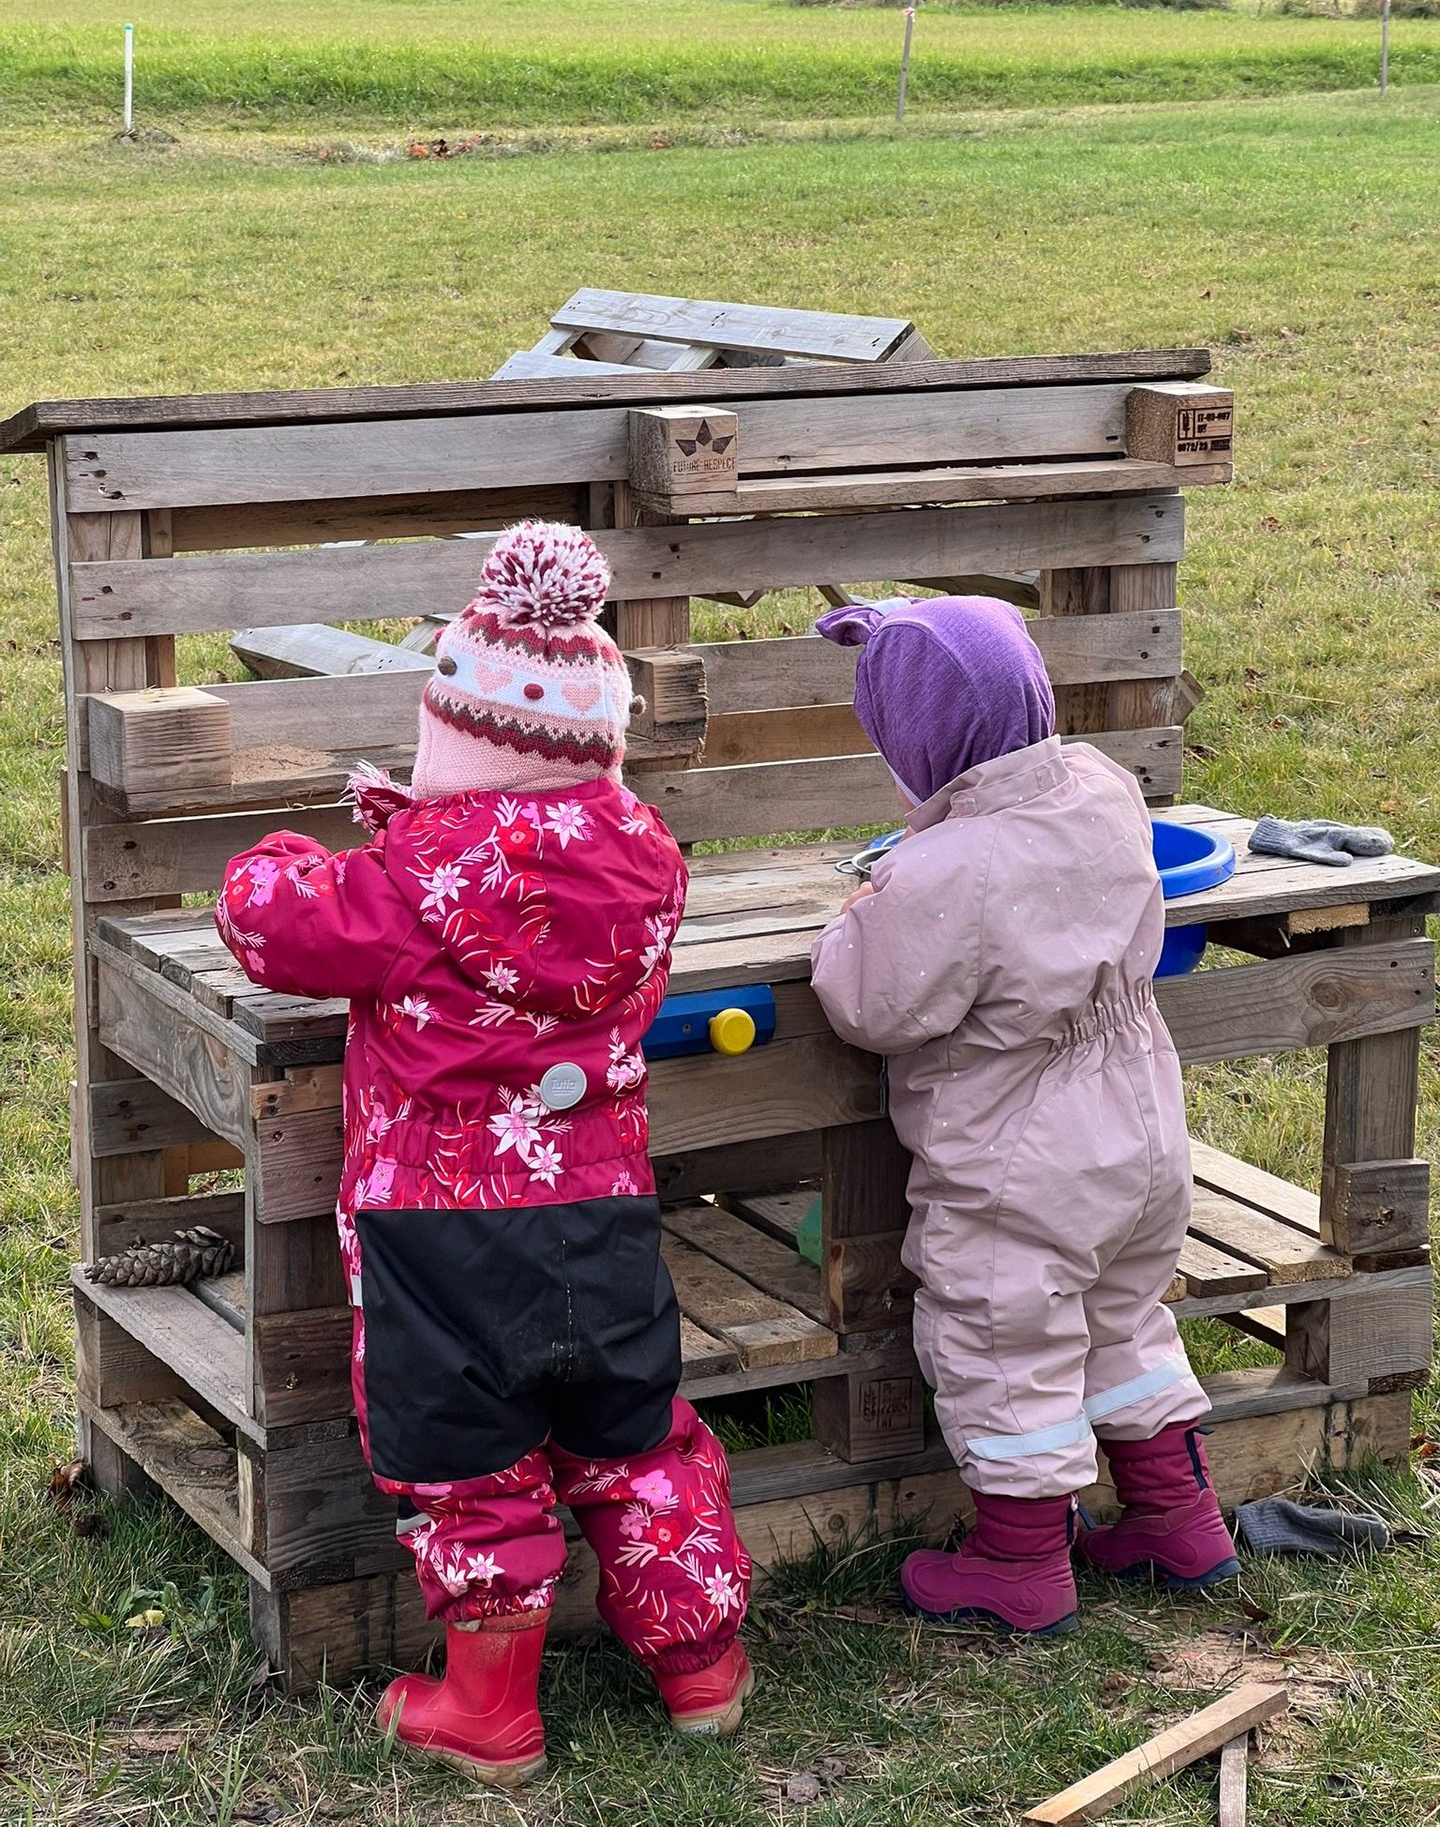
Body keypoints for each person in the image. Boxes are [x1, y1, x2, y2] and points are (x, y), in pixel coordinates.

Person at [216, 522, 751, 1784]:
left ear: (455, 736)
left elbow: (267, 923)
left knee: (473, 1461)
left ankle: (490, 1709)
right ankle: (700, 1668)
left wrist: (290, 854)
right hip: (602, 1209)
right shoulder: (652, 864)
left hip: (438, 1224)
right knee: (635, 1440)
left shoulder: (407, 877)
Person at [808, 595, 1238, 1637]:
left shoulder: (948, 867)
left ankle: (1019, 1560)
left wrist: (856, 916)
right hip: (1140, 1131)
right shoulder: (1101, 787)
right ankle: (1178, 1518)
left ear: (921, 741)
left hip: (1020, 1161)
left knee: (1003, 1339)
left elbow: (872, 1003)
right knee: (1122, 1316)